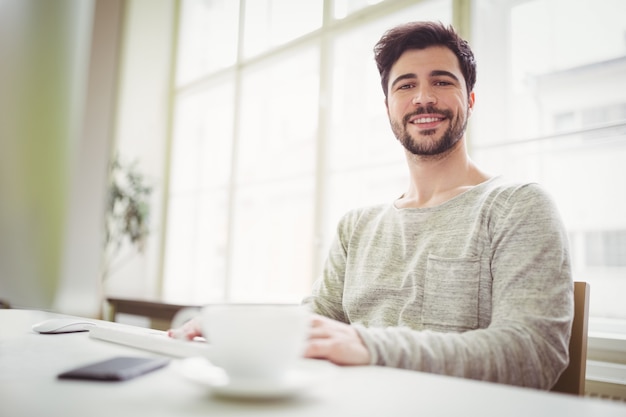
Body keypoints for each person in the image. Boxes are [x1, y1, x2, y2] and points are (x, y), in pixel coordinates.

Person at [169, 21, 574, 390]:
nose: (424, 98)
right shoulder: (356, 227)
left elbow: (533, 354)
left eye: (442, 82)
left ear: (470, 99)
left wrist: (369, 344)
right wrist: (239, 329)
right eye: (405, 86)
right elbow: (311, 324)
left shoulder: (519, 207)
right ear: (388, 108)